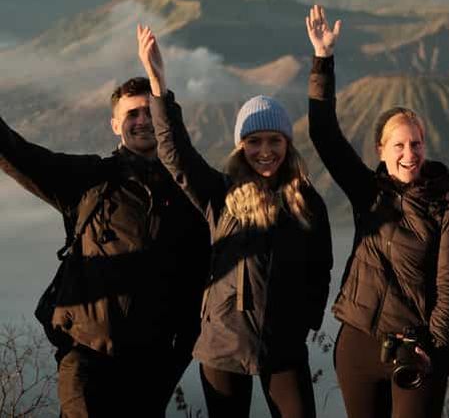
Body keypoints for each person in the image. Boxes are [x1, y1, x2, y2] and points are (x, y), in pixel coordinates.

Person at [137, 25, 332, 418]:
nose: (265, 151)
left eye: (274, 141)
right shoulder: (220, 193)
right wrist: (159, 87)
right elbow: (176, 155)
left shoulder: (306, 201)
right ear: (241, 147)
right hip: (223, 346)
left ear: (287, 145)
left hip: (283, 346)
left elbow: (321, 266)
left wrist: (304, 320)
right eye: (254, 142)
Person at [0, 78, 209, 417]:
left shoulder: (193, 196)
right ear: (115, 124)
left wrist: (175, 360)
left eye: (149, 112)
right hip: (85, 357)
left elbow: (201, 284)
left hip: (151, 366)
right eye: (132, 114)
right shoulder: (91, 179)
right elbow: (20, 156)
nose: (142, 120)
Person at [304, 4, 449, 418]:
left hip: (413, 349)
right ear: (381, 151)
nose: (409, 154)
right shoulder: (369, 193)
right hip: (356, 343)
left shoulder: (446, 205)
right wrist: (323, 59)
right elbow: (324, 134)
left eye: (416, 144)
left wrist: (434, 350)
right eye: (399, 145)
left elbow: (448, 288)